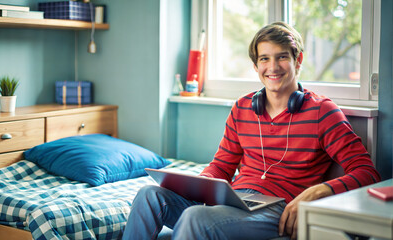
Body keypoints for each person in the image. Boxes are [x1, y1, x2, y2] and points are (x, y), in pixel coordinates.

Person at [122, 22, 380, 240]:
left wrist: (318, 191)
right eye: (264, 59)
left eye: (282, 57)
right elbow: (221, 166)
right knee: (149, 195)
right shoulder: (243, 108)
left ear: (297, 60)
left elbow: (367, 172)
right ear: (256, 66)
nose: (273, 67)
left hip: (277, 207)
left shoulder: (322, 112)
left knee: (195, 217)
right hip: (234, 200)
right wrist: (203, 183)